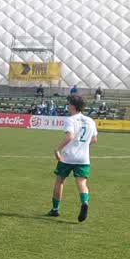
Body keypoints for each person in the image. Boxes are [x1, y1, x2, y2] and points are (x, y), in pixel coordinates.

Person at [48, 93, 96, 222]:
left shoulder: (70, 120)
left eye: (69, 103)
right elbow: (94, 139)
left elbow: (70, 136)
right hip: (83, 158)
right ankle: (84, 202)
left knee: (60, 181)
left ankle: (55, 209)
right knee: (82, 183)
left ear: (73, 106)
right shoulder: (90, 121)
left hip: (68, 157)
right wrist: (82, 145)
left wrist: (57, 149)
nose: (67, 106)